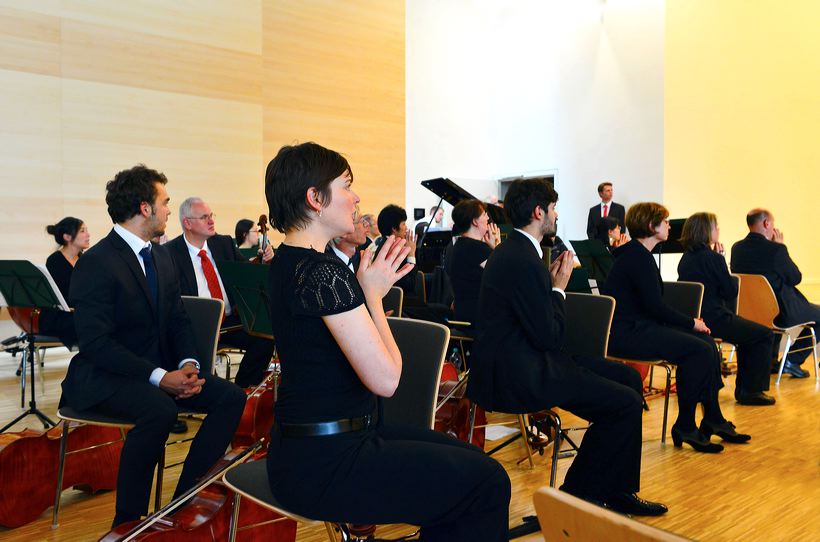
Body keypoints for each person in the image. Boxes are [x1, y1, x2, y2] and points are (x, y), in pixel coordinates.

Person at [264, 142, 510, 541]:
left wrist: (364, 289)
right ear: (314, 199)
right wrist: (373, 295)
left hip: (313, 447)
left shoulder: (288, 261)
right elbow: (387, 380)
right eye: (346, 186)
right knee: (487, 483)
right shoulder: (323, 272)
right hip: (328, 461)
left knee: (478, 468)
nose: (356, 197)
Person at [60, 165, 246, 527]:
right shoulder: (97, 262)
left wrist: (189, 363)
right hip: (106, 376)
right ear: (145, 208)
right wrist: (161, 377)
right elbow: (97, 345)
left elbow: (178, 319)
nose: (166, 211)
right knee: (159, 410)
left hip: (156, 372)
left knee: (231, 397)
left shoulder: (161, 256)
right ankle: (127, 523)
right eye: (164, 203)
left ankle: (184, 502)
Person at [468, 178, 667, 516]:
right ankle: (576, 494)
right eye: (554, 208)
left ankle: (619, 489)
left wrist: (551, 289)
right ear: (538, 212)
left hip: (521, 360)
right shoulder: (523, 259)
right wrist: (558, 288)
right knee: (626, 403)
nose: (556, 215)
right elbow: (548, 335)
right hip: (524, 372)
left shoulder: (512, 252)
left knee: (629, 380)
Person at [603, 202, 750, 454]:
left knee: (705, 343)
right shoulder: (638, 258)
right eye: (666, 221)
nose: (670, 226)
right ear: (652, 226)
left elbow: (652, 306)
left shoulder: (636, 254)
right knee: (698, 349)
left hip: (637, 327)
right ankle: (685, 424)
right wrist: (692, 322)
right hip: (628, 334)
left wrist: (692, 325)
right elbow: (655, 308)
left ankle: (712, 417)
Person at [166, 197, 275, 388]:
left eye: (211, 215)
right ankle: (210, 393)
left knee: (265, 337)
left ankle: (243, 391)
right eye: (204, 217)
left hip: (229, 320)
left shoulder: (223, 243)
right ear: (187, 223)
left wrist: (267, 258)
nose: (211, 221)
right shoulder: (170, 253)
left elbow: (246, 274)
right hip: (196, 325)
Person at [678, 212, 775, 405]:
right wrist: (721, 261)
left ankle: (746, 389)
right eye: (716, 227)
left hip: (695, 317)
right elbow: (730, 292)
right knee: (763, 335)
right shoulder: (714, 258)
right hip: (715, 318)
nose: (718, 230)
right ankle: (750, 391)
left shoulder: (686, 258)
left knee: (750, 335)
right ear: (707, 231)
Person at [730, 209, 820, 378]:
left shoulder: (737, 248)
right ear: (766, 223)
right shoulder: (775, 250)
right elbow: (795, 277)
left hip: (749, 311)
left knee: (769, 311)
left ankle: (771, 362)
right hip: (780, 312)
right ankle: (791, 360)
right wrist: (780, 246)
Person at [39, 217, 91, 348]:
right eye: (82, 231)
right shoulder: (55, 261)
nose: (88, 234)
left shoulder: (85, 260)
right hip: (59, 316)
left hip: (79, 313)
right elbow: (59, 297)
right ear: (67, 237)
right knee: (94, 324)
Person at [447, 199, 500, 324]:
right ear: (475, 221)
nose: (487, 217)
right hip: (479, 316)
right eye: (484, 214)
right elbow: (504, 277)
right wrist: (497, 247)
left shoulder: (460, 244)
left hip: (465, 311)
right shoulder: (476, 248)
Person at [375, 204, 417, 296]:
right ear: (394, 228)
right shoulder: (389, 249)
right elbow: (409, 284)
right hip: (402, 302)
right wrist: (411, 253)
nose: (406, 227)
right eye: (403, 224)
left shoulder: (387, 243)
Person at [327, 206, 367, 273]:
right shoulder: (327, 266)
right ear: (341, 231)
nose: (366, 224)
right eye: (361, 221)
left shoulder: (360, 259)